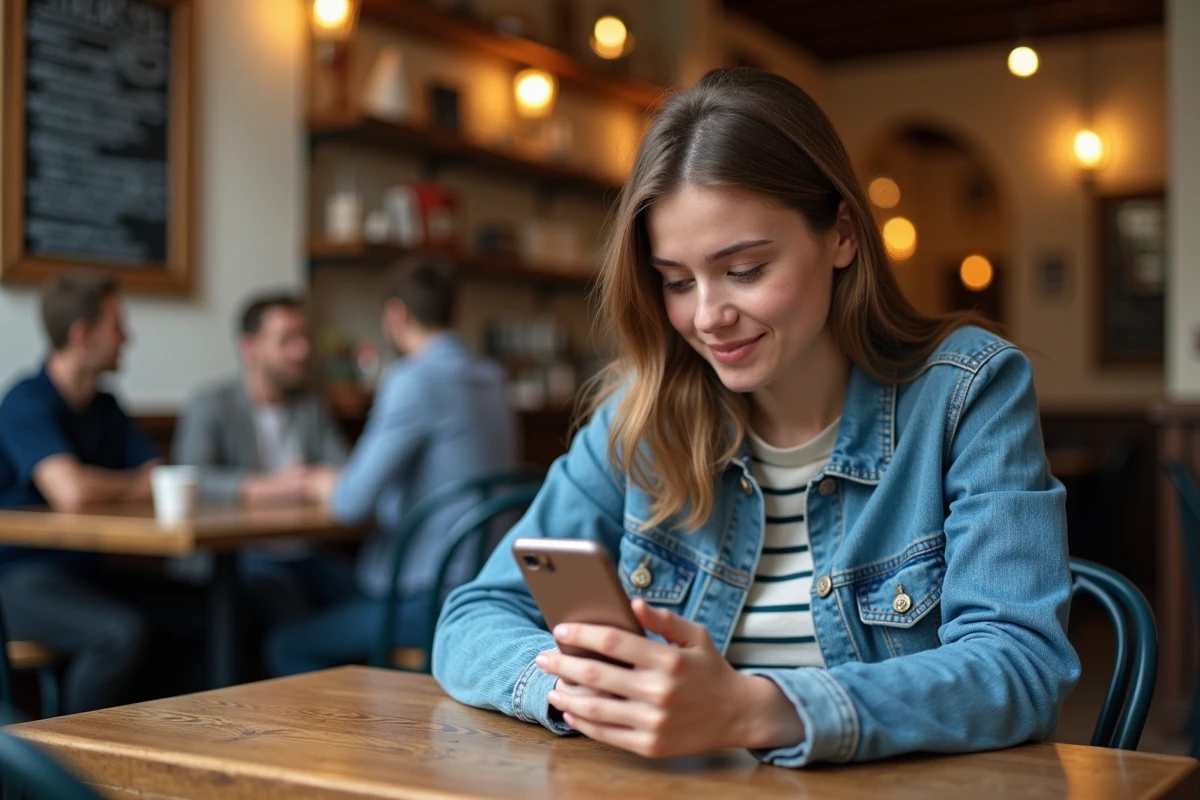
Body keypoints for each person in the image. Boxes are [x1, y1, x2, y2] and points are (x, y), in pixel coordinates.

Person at [431, 68, 1080, 767]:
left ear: (841, 235)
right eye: (677, 281)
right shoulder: (640, 421)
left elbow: (1021, 665)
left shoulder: (967, 392)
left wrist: (756, 709)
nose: (708, 316)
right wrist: (588, 692)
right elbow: (472, 619)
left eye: (743, 270)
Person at [265, 258, 517, 676]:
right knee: (303, 581)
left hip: (428, 597)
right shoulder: (492, 378)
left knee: (287, 645)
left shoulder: (413, 379)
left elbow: (350, 504)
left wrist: (320, 482)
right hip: (486, 582)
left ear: (397, 314)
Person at [0, 272, 156, 713]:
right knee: (118, 633)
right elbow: (70, 491)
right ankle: (65, 755)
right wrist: (128, 485)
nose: (127, 338)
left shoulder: (105, 405)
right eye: (117, 326)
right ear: (82, 335)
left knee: (205, 614)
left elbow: (157, 477)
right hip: (15, 578)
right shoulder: (25, 402)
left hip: (84, 570)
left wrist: (101, 483)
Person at [173, 293, 354, 626]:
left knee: (369, 597)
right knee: (287, 604)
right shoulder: (211, 404)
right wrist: (273, 487)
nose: (302, 350)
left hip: (306, 552)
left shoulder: (311, 406)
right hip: (241, 555)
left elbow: (345, 472)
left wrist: (310, 481)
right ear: (250, 346)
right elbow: (192, 478)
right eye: (287, 341)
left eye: (303, 338)